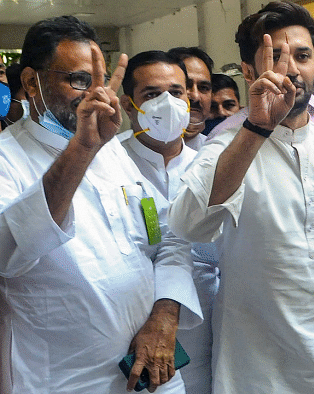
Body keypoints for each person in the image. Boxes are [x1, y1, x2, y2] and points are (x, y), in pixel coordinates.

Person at [168, 2, 314, 393]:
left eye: (302, 56)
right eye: (275, 57)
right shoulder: (228, 146)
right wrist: (257, 127)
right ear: (249, 71)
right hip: (252, 371)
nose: (291, 69)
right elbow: (189, 223)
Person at [0, 16, 201, 394]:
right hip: (61, 379)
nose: (96, 95)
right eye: (79, 80)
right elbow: (8, 251)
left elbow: (169, 236)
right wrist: (83, 148)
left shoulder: (114, 153)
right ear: (31, 83)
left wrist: (165, 314)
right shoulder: (7, 159)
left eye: (100, 80)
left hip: (152, 372)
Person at [118, 50, 216, 394]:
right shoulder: (110, 164)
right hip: (138, 330)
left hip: (211, 324)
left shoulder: (211, 163)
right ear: (129, 105)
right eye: (151, 94)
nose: (168, 103)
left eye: (176, 92)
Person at [167, 47, 213, 150]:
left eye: (204, 88)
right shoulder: (125, 155)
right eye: (186, 85)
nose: (195, 96)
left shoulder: (220, 154)